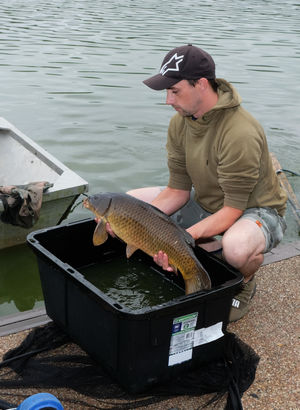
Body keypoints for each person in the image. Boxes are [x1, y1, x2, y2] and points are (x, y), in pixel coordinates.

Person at [126, 44, 288, 322]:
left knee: (236, 249)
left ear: (201, 84)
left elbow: (232, 210)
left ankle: (245, 280)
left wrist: (182, 241)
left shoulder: (240, 132)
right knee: (128, 203)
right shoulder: (179, 123)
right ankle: (209, 247)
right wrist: (132, 223)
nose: (168, 100)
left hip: (256, 211)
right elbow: (177, 191)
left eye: (174, 90)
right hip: (206, 204)